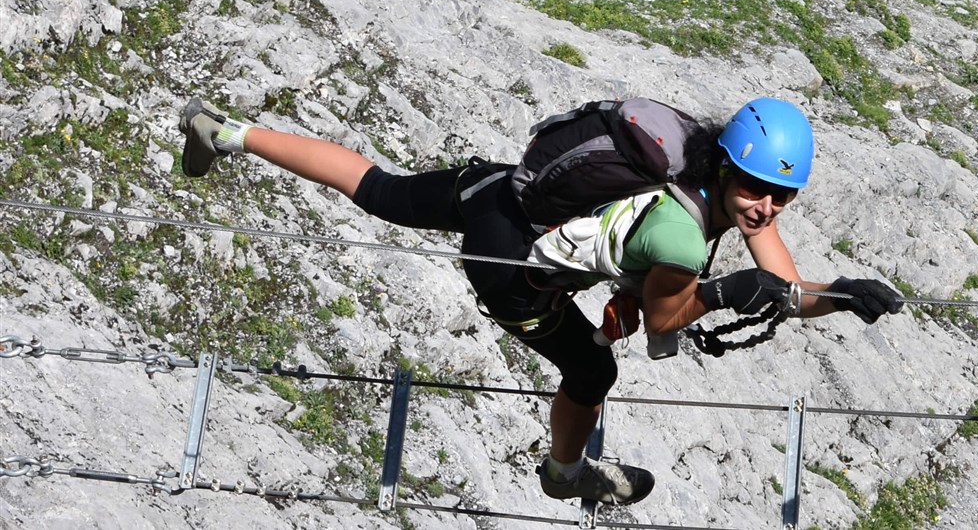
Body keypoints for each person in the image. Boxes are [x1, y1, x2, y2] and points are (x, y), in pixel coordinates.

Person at [179, 95, 904, 506]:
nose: (767, 208)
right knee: (594, 372)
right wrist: (723, 291)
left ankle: (227, 132)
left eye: (783, 195)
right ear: (723, 168)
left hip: (506, 193)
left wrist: (838, 295)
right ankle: (566, 475)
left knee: (382, 190)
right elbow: (665, 319)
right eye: (755, 189)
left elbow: (782, 281)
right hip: (512, 268)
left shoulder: (689, 154)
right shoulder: (683, 237)